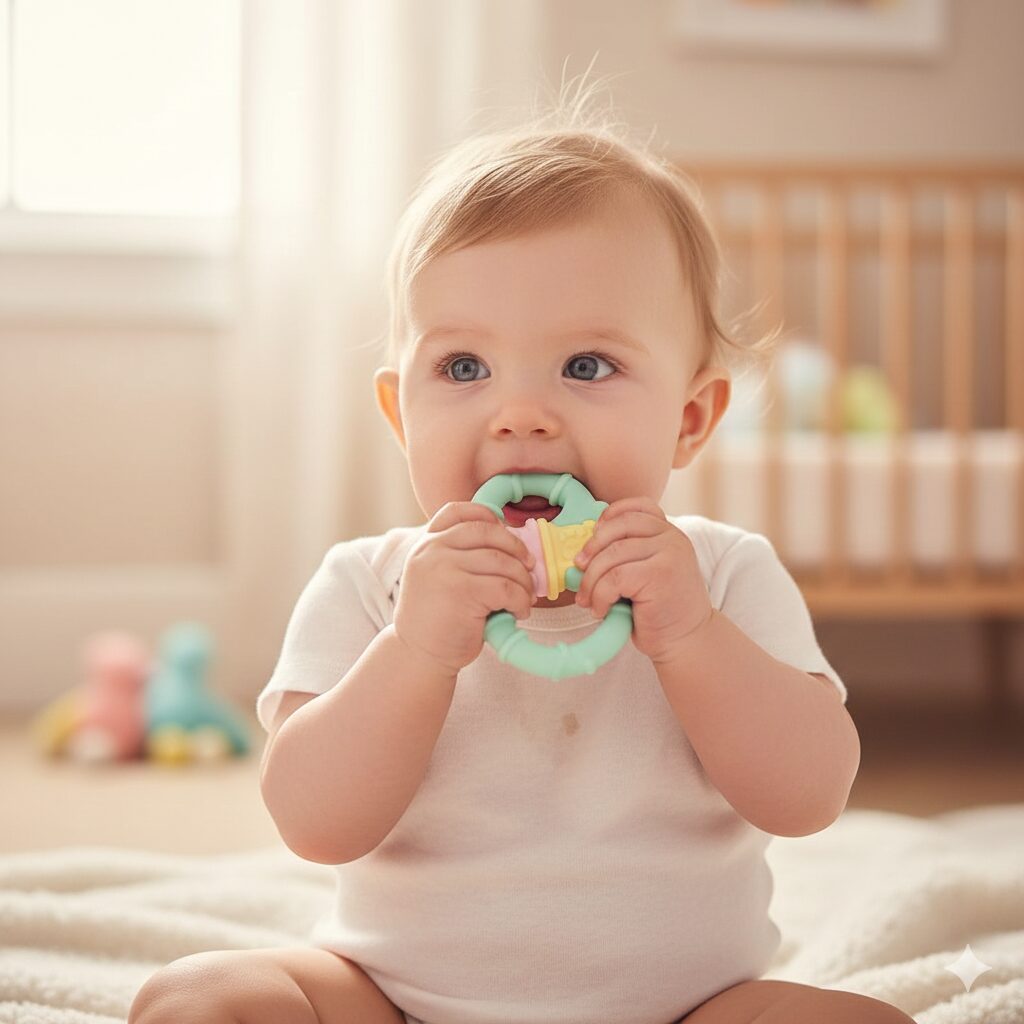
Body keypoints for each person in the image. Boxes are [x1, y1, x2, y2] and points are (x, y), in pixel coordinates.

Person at [128, 83, 916, 1024]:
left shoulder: (722, 575)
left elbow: (808, 796)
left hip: (690, 1009)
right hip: (397, 1001)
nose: (520, 414)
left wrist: (693, 638)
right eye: (463, 368)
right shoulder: (371, 585)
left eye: (587, 366)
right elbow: (313, 822)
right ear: (400, 412)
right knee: (195, 998)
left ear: (691, 417)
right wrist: (416, 653)